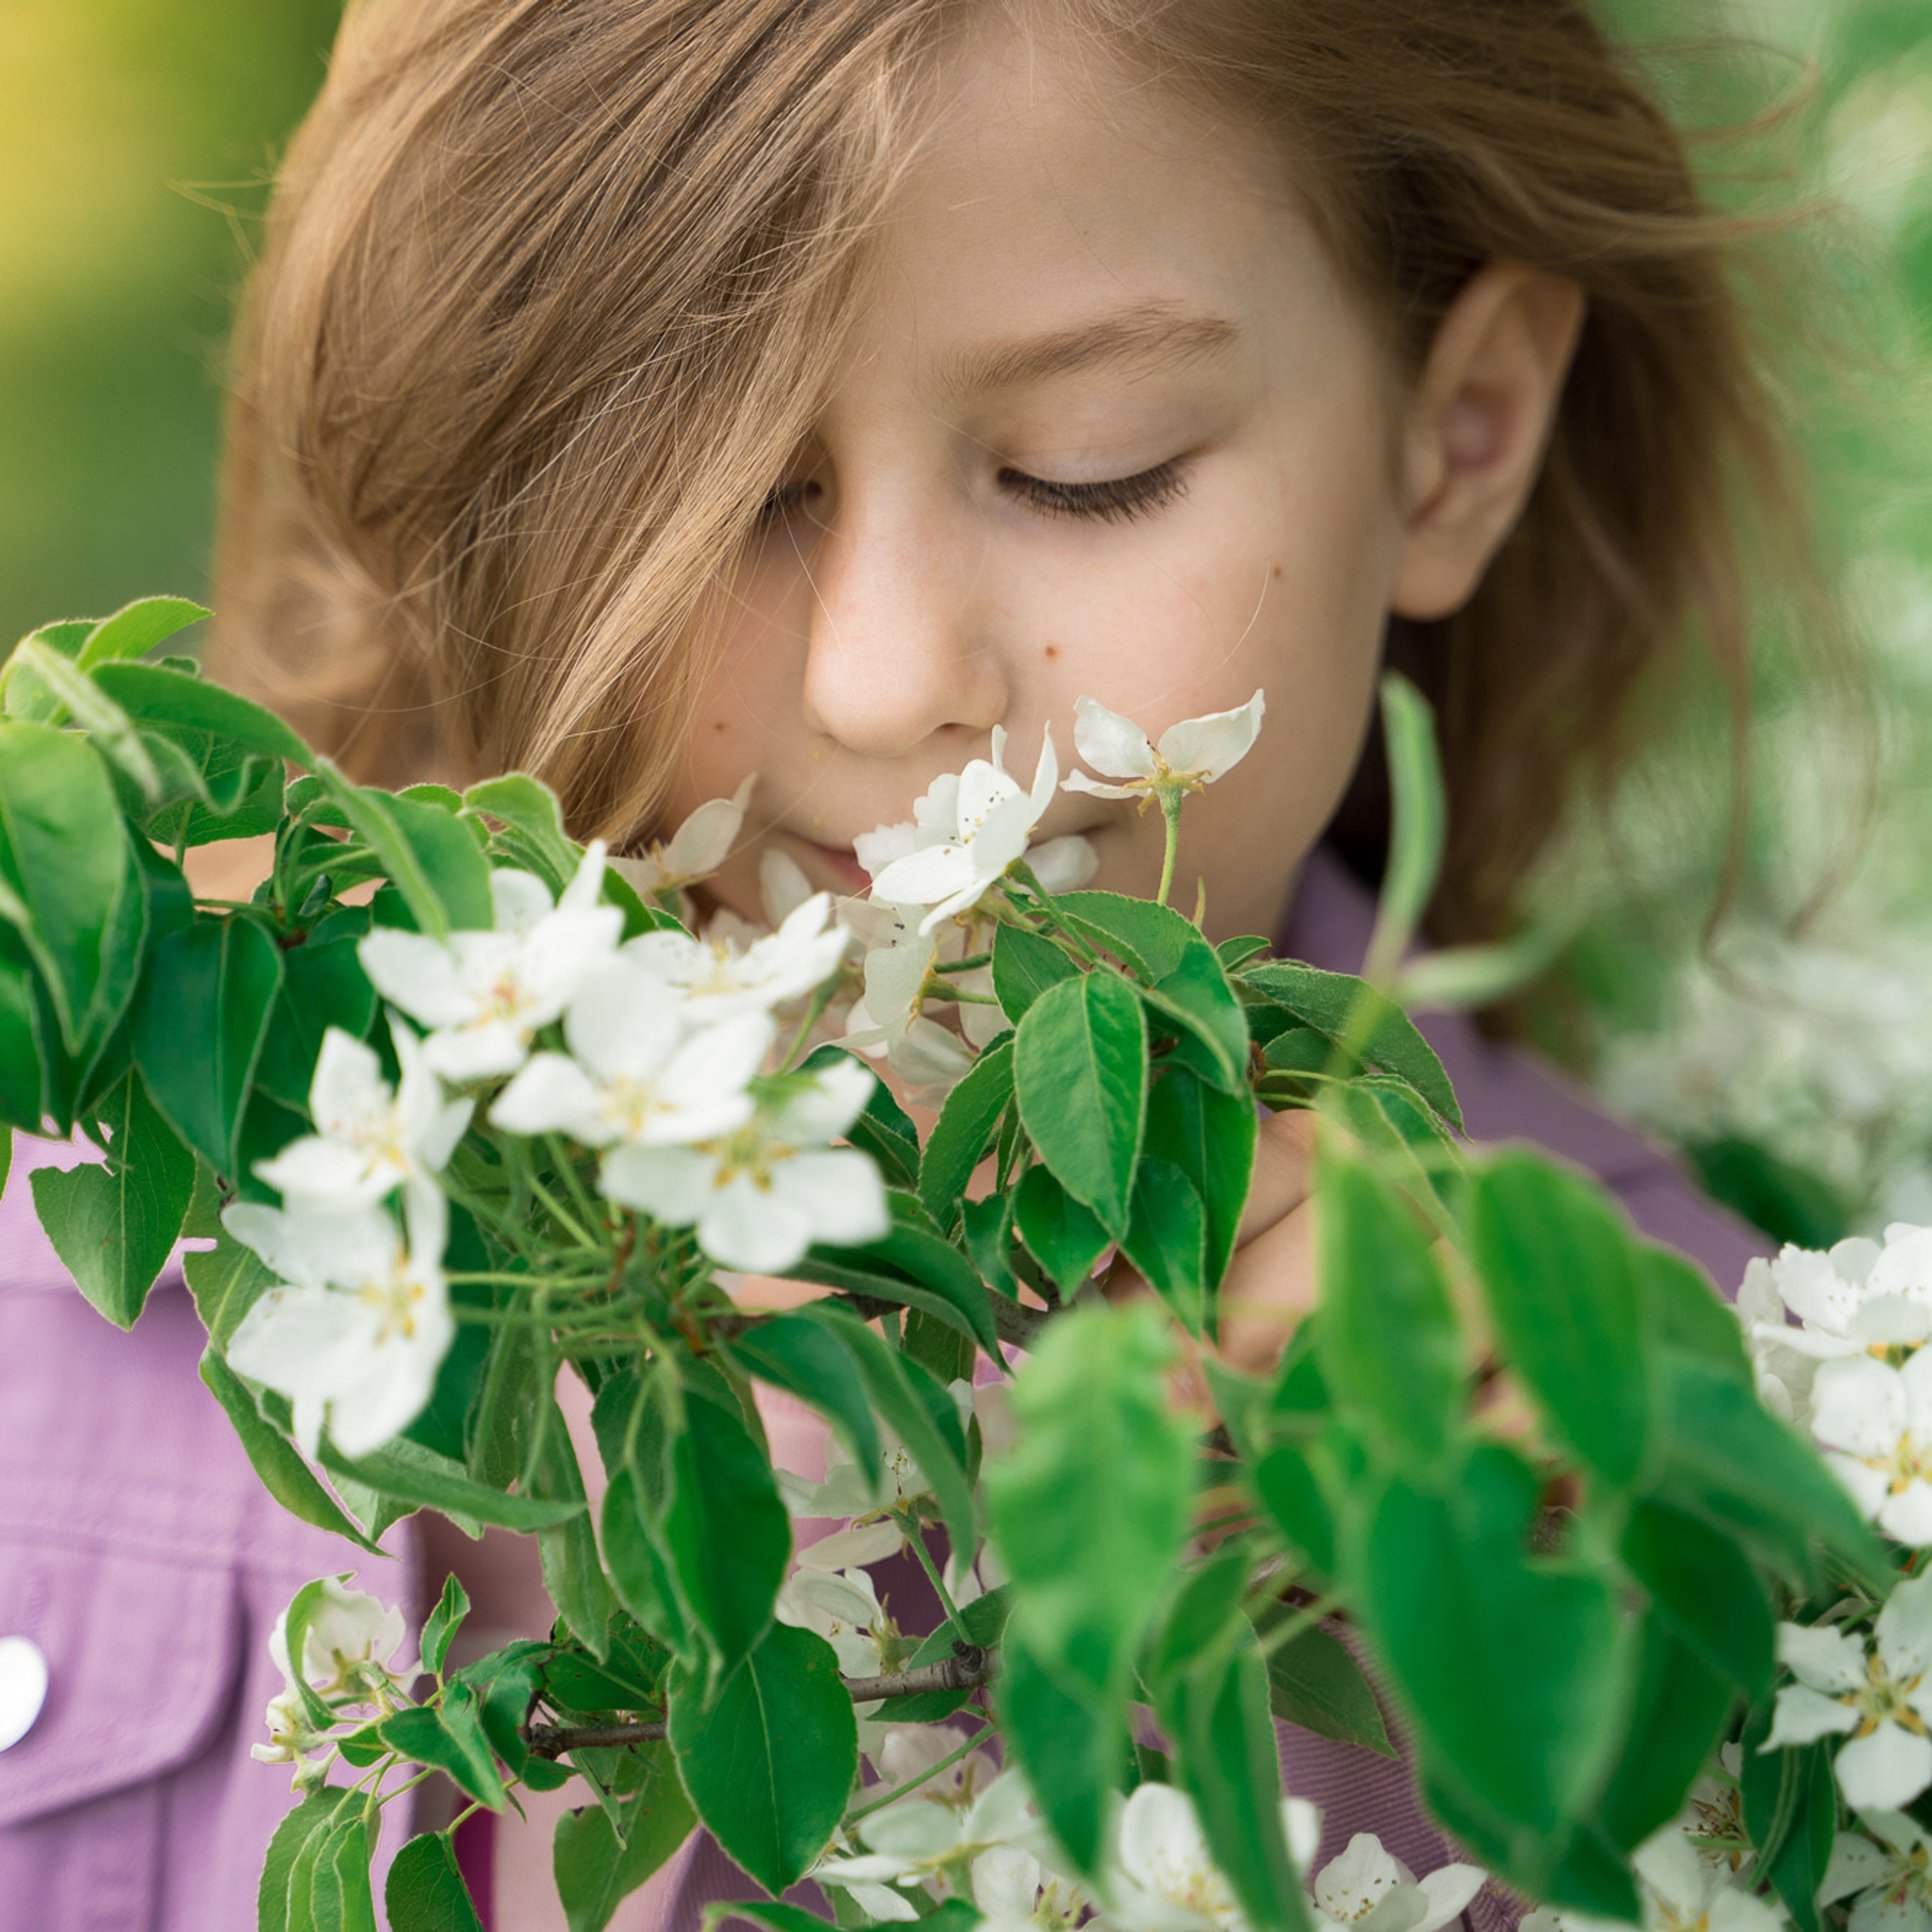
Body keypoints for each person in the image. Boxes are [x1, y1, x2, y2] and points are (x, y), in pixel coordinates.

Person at [2, 0, 1847, 1924]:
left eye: (1085, 469)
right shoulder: (85, 1166)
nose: (881, 681)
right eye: (719, 483)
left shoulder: (1691, 1485)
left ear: (1455, 438)